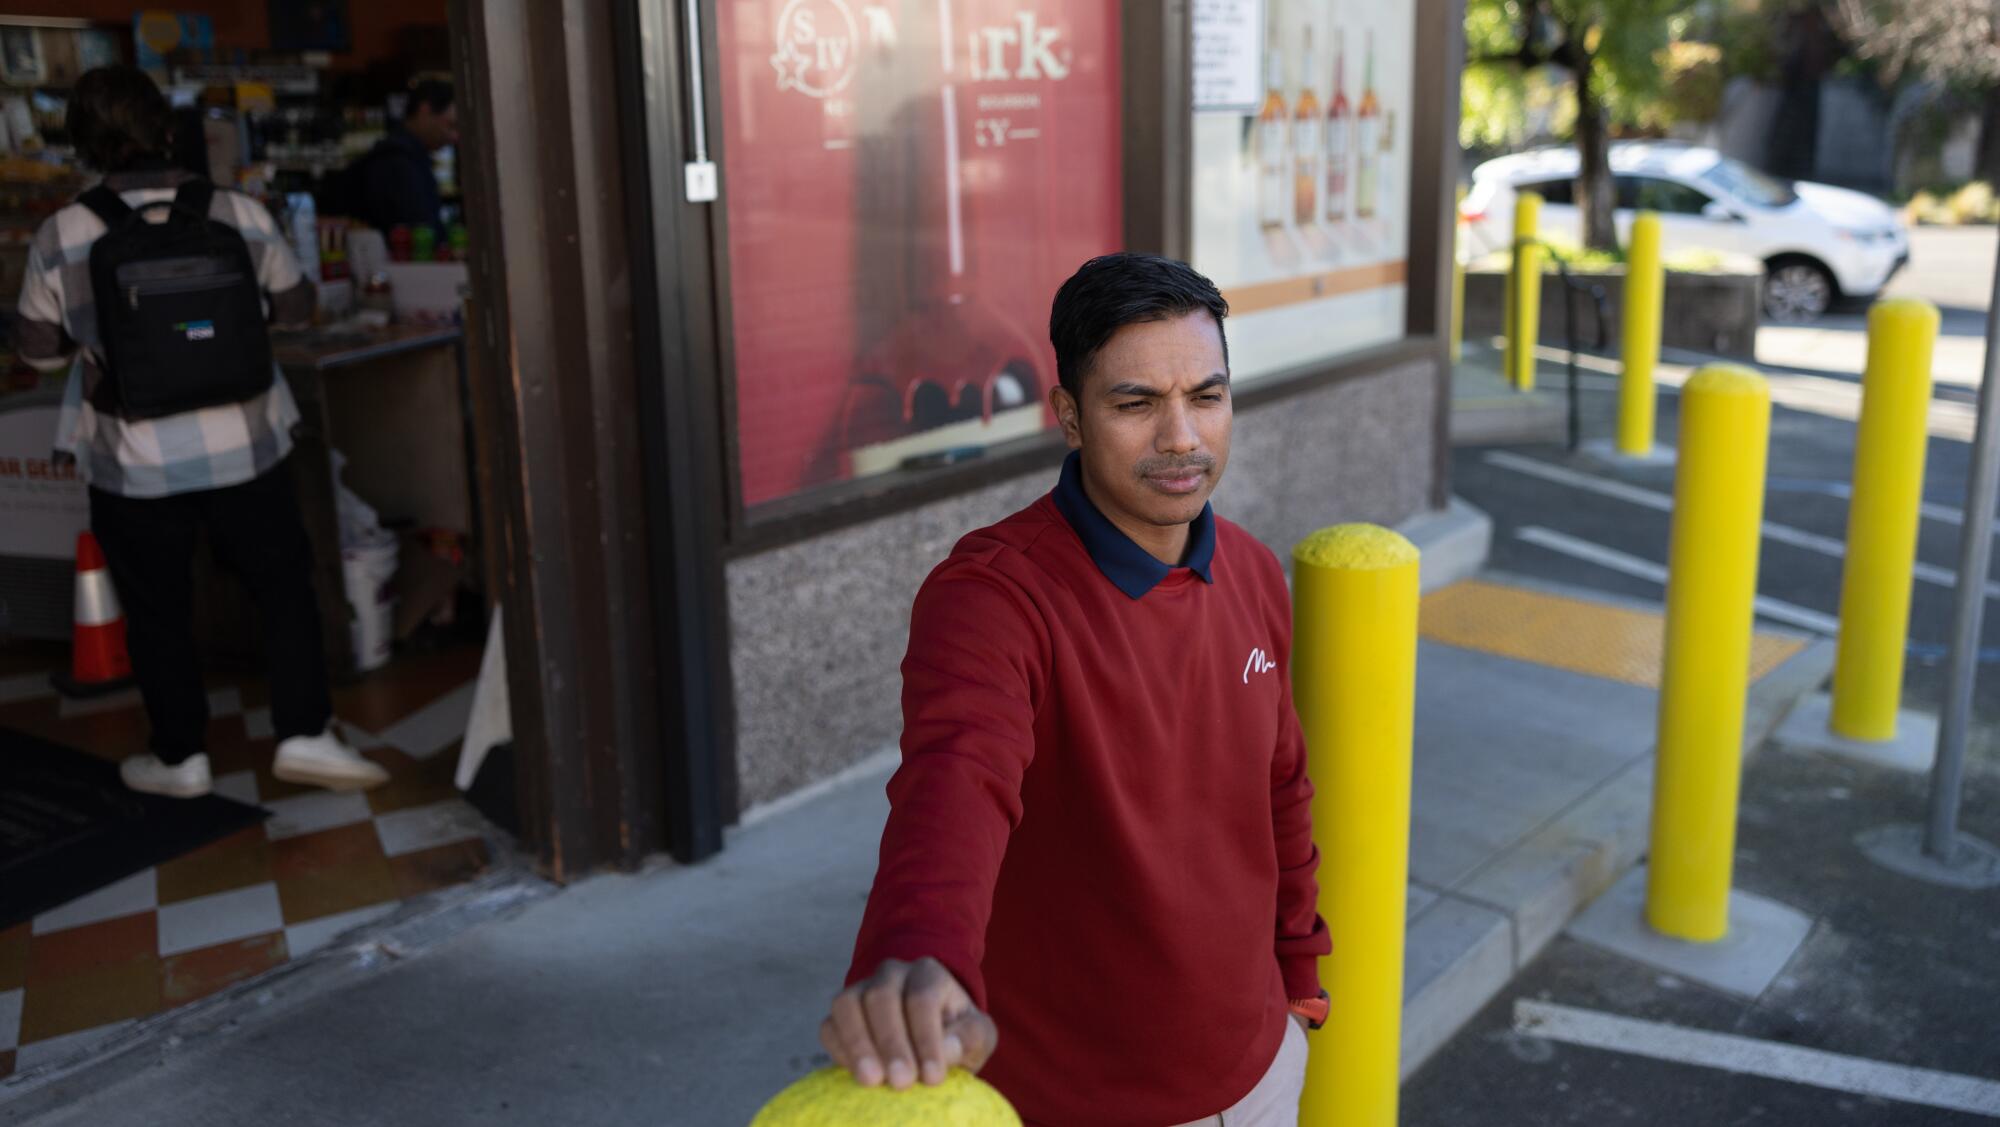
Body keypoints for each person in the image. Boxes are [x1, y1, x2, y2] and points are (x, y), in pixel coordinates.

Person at [821, 253, 1331, 1126]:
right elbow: (953, 785)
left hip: (1262, 1072)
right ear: (1068, 415)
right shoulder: (992, 596)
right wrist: (916, 952)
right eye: (1136, 403)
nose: (1182, 437)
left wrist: (1300, 985)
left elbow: (1280, 787)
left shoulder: (1249, 567)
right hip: (1075, 1101)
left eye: (1206, 396)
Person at [15, 65, 387, 798]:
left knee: (157, 609)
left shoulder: (63, 233)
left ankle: (180, 755)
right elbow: (296, 308)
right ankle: (306, 733)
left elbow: (35, 348)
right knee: (282, 586)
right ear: (164, 128)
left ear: (85, 145)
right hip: (246, 445)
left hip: (134, 459)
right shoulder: (239, 214)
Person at [343, 77, 456, 235]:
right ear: (425, 110)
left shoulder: (401, 155)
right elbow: (420, 228)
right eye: (450, 125)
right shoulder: (398, 160)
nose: (454, 136)